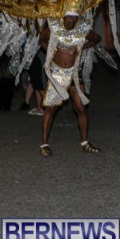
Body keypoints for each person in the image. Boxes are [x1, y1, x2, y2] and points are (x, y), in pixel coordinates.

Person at [39, 11, 102, 156]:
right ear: (63, 17)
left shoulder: (81, 30)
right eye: (68, 17)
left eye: (74, 18)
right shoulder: (54, 29)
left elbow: (97, 38)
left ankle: (85, 143)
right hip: (58, 74)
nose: (71, 20)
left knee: (81, 108)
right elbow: (41, 40)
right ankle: (44, 144)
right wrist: (51, 51)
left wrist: (81, 47)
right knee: (51, 109)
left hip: (74, 74)